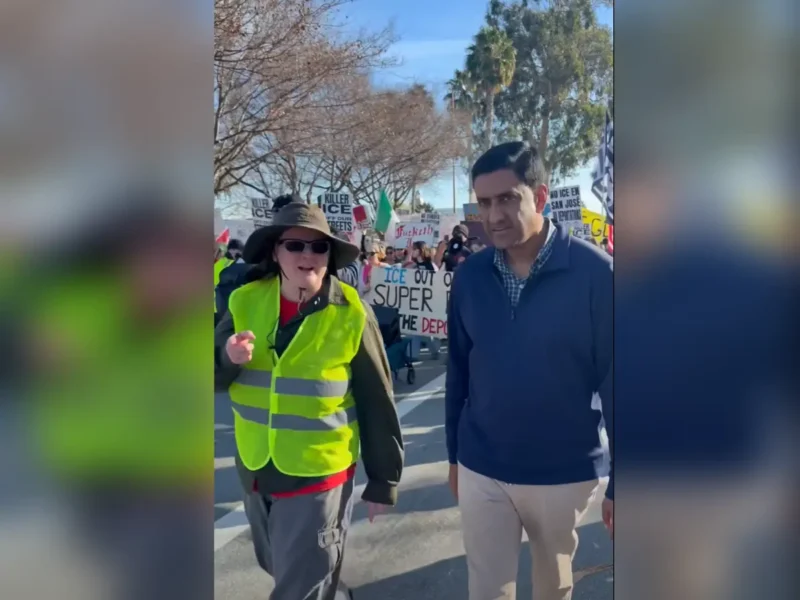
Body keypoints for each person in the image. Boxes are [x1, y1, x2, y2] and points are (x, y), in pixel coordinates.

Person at [446, 141, 613, 600]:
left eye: (507, 199)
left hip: (563, 470)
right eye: (484, 203)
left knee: (551, 585)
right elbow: (458, 370)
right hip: (481, 465)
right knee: (486, 589)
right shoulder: (469, 276)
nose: (493, 215)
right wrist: (454, 456)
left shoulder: (597, 275)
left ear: (539, 197)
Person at [214, 203, 403, 600]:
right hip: (256, 472)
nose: (308, 255)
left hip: (320, 478)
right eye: (295, 245)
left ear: (329, 255)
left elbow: (377, 399)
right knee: (283, 568)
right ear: (275, 252)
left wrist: (384, 479)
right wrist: (226, 357)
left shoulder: (352, 312)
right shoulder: (244, 301)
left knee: (299, 587)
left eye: (319, 247)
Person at [403, 241, 441, 360]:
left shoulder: (430, 266)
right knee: (416, 328)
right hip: (416, 302)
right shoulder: (414, 265)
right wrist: (409, 255)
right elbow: (404, 270)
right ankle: (412, 355)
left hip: (428, 303)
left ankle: (433, 350)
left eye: (414, 249)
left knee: (424, 329)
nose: (413, 251)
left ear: (420, 250)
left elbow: (437, 283)